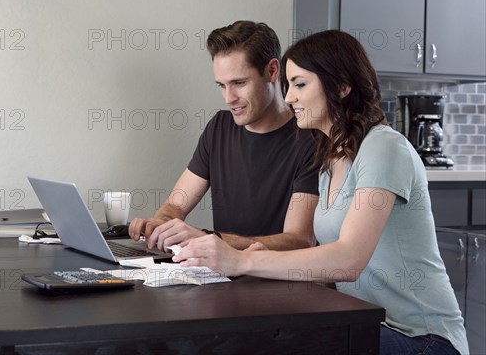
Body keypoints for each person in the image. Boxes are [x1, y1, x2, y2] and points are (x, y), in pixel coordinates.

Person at [172, 30, 468, 355]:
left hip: (421, 338)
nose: (288, 98)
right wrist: (262, 270)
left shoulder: (383, 147)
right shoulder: (330, 159)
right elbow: (331, 275)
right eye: (288, 86)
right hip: (363, 323)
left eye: (300, 84)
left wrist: (244, 260)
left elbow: (348, 260)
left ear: (341, 87)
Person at [129, 21, 320, 252]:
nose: (229, 98)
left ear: (272, 71)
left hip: (276, 283)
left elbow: (299, 240)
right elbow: (174, 206)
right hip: (224, 279)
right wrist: (160, 225)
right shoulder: (219, 127)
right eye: (221, 85)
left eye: (239, 83)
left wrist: (209, 238)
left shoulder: (311, 140)